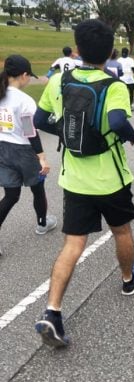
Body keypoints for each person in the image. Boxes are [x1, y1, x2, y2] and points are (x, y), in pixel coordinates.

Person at [33, 19, 134, 348]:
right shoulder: (114, 86)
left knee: (73, 244)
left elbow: (40, 120)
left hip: (75, 180)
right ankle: (127, 278)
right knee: (122, 231)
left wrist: (67, 132)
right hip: (110, 179)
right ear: (111, 51)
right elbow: (117, 121)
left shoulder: (58, 80)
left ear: (77, 49)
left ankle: (52, 311)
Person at [0, 55, 57, 256]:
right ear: (24, 75)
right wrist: (41, 157)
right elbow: (30, 131)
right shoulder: (24, 101)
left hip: (2, 149)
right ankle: (42, 223)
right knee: (37, 188)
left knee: (11, 195)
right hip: (23, 151)